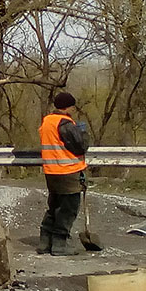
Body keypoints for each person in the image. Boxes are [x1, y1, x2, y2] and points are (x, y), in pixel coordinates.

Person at [37, 91, 89, 256]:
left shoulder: (47, 122)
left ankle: (45, 242)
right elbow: (80, 146)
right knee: (68, 209)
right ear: (69, 107)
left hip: (51, 172)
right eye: (73, 106)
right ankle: (60, 244)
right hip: (67, 171)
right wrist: (82, 132)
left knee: (54, 207)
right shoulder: (65, 124)